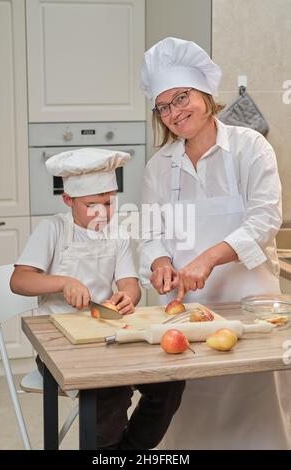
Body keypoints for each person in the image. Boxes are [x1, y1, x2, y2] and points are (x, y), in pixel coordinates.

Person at [139, 37, 290, 449]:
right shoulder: (158, 166)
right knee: (190, 409)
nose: (174, 112)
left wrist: (208, 257)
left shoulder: (249, 147)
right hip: (186, 312)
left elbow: (265, 219)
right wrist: (160, 263)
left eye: (182, 97)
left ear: (205, 95)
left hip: (251, 305)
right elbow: (149, 231)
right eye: (164, 106)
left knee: (258, 410)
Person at [10, 147, 185, 450]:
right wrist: (64, 282)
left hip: (109, 334)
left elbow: (130, 284)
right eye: (92, 205)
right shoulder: (53, 229)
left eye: (108, 203)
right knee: (110, 391)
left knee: (169, 382)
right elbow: (19, 280)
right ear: (68, 201)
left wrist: (127, 298)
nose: (101, 213)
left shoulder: (116, 233)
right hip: (56, 342)